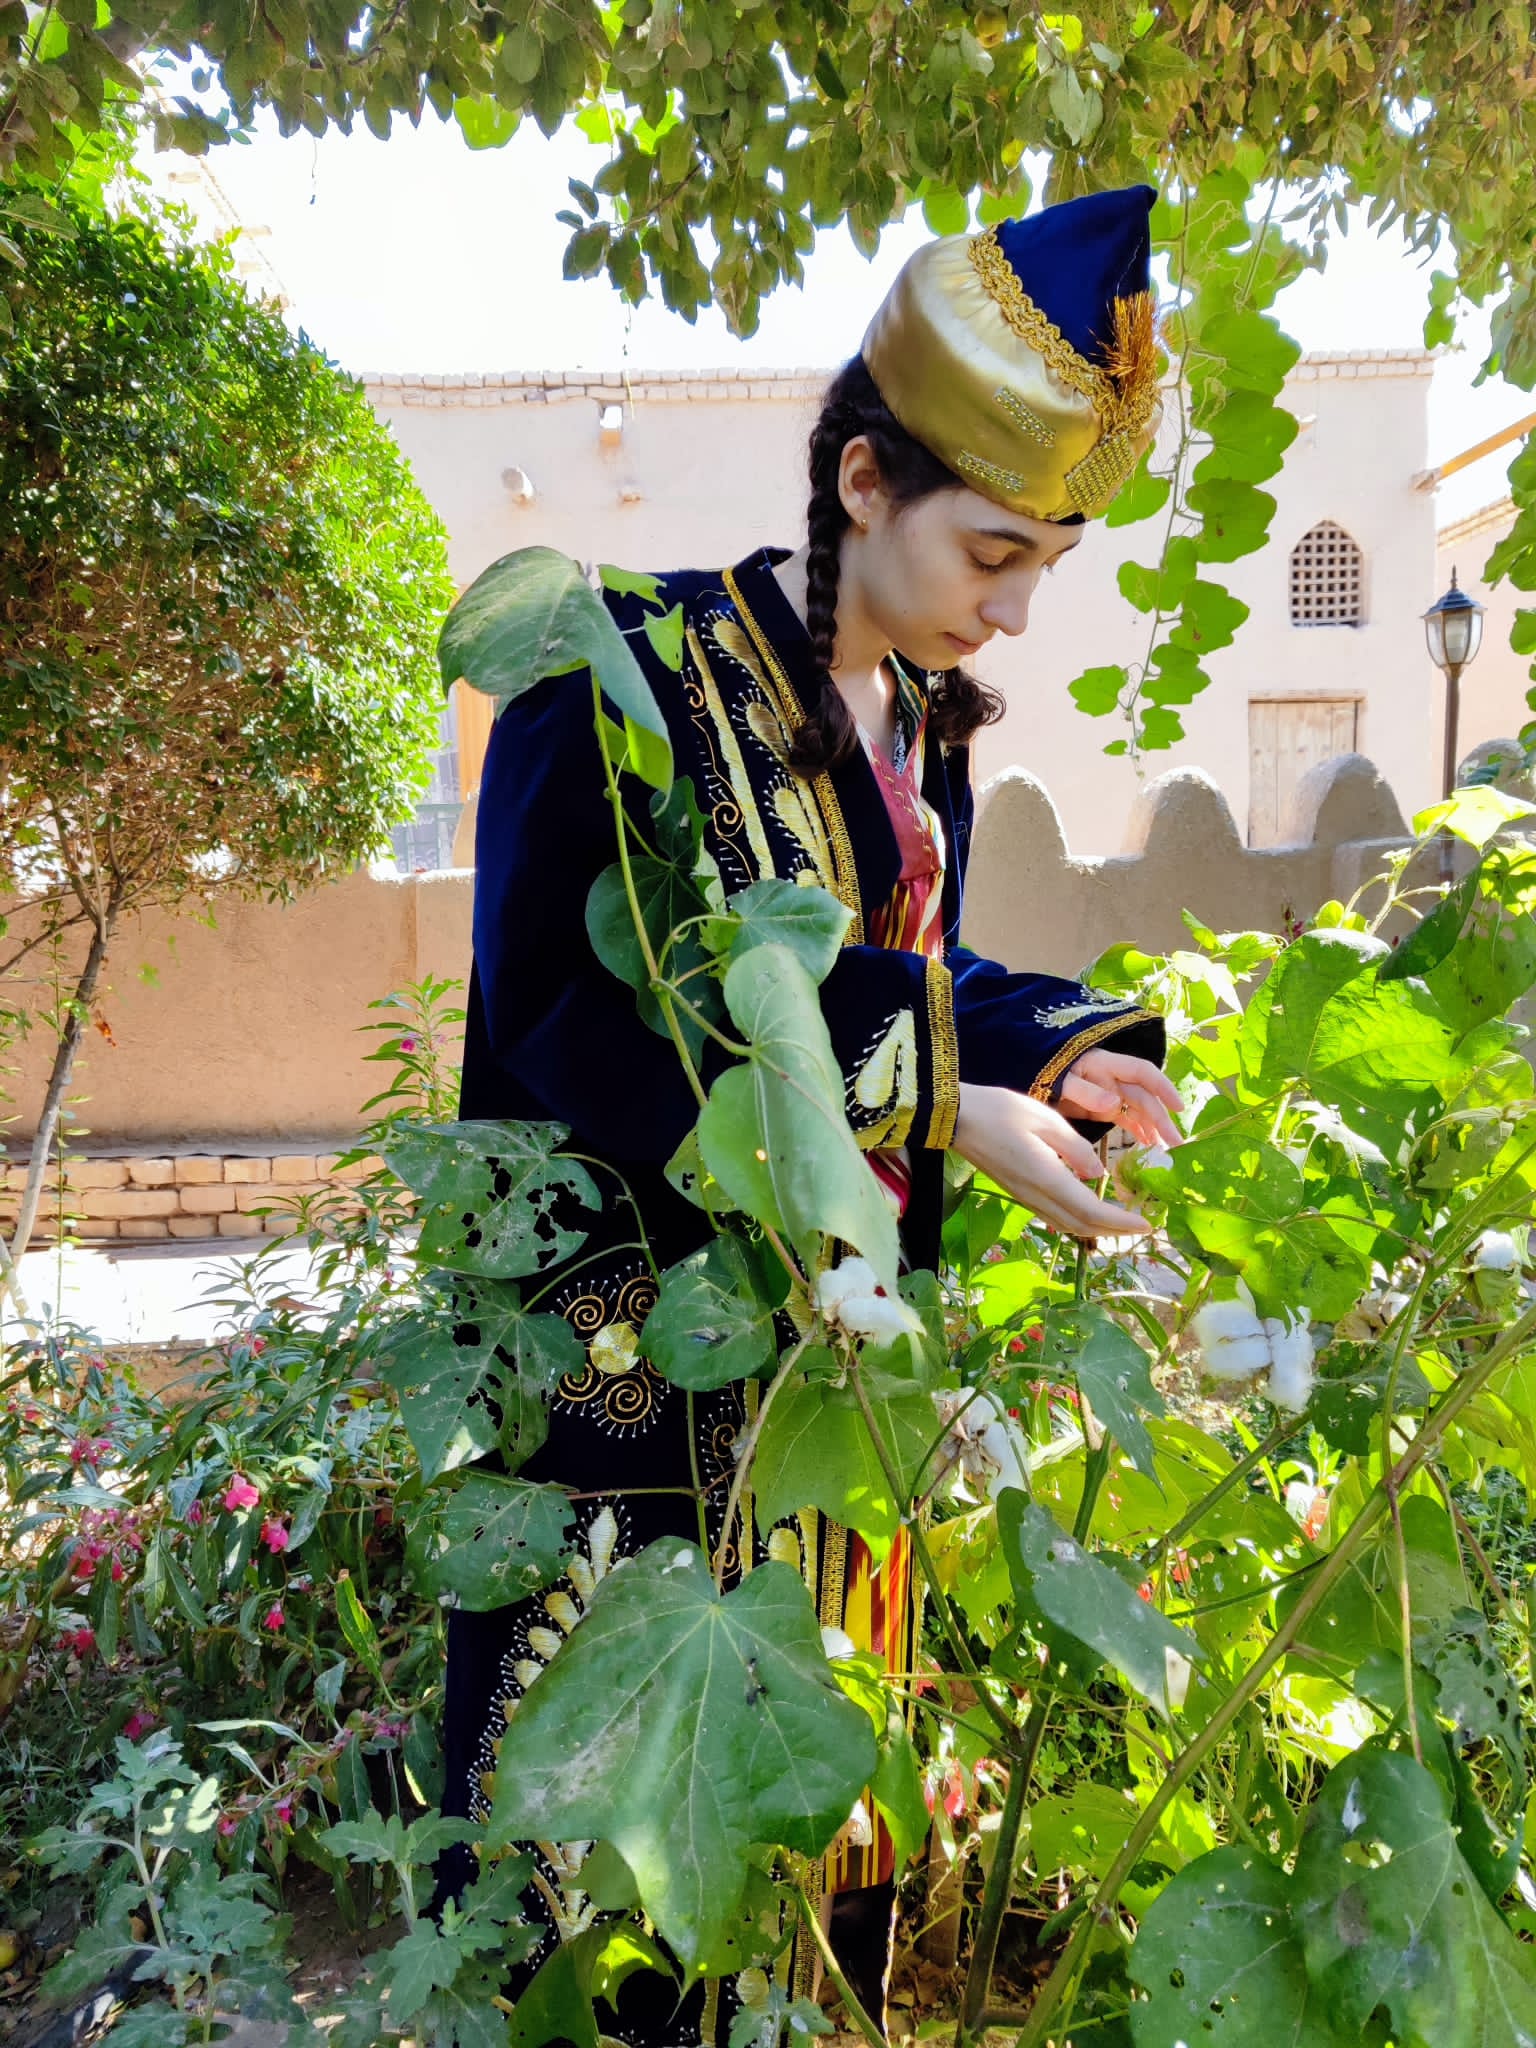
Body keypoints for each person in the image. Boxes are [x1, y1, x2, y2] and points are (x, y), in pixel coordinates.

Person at [436, 182, 1184, 2043]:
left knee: (816, 1872)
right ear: (864, 482)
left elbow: (909, 971)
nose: (1012, 608)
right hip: (638, 1390)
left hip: (837, 1392)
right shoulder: (621, 683)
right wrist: (933, 1081)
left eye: (1046, 570)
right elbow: (579, 1008)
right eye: (992, 554)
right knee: (614, 1914)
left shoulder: (916, 723)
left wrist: (1057, 1047)